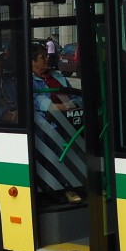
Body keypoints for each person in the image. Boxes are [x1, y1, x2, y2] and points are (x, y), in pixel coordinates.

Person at [30, 44, 87, 204]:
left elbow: (77, 97)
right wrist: (68, 106)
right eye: (42, 57)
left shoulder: (57, 76)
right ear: (32, 62)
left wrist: (70, 106)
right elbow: (46, 106)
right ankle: (64, 186)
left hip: (71, 118)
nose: (47, 59)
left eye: (46, 56)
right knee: (56, 142)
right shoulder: (31, 82)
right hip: (48, 124)